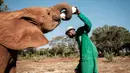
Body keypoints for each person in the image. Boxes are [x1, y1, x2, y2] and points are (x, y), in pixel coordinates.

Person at [65, 7, 98, 73]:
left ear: (72, 30)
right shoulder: (78, 38)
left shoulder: (80, 31)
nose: (69, 34)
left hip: (88, 56)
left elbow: (89, 24)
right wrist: (78, 67)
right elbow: (82, 54)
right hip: (88, 57)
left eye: (68, 32)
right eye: (68, 34)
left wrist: (79, 13)